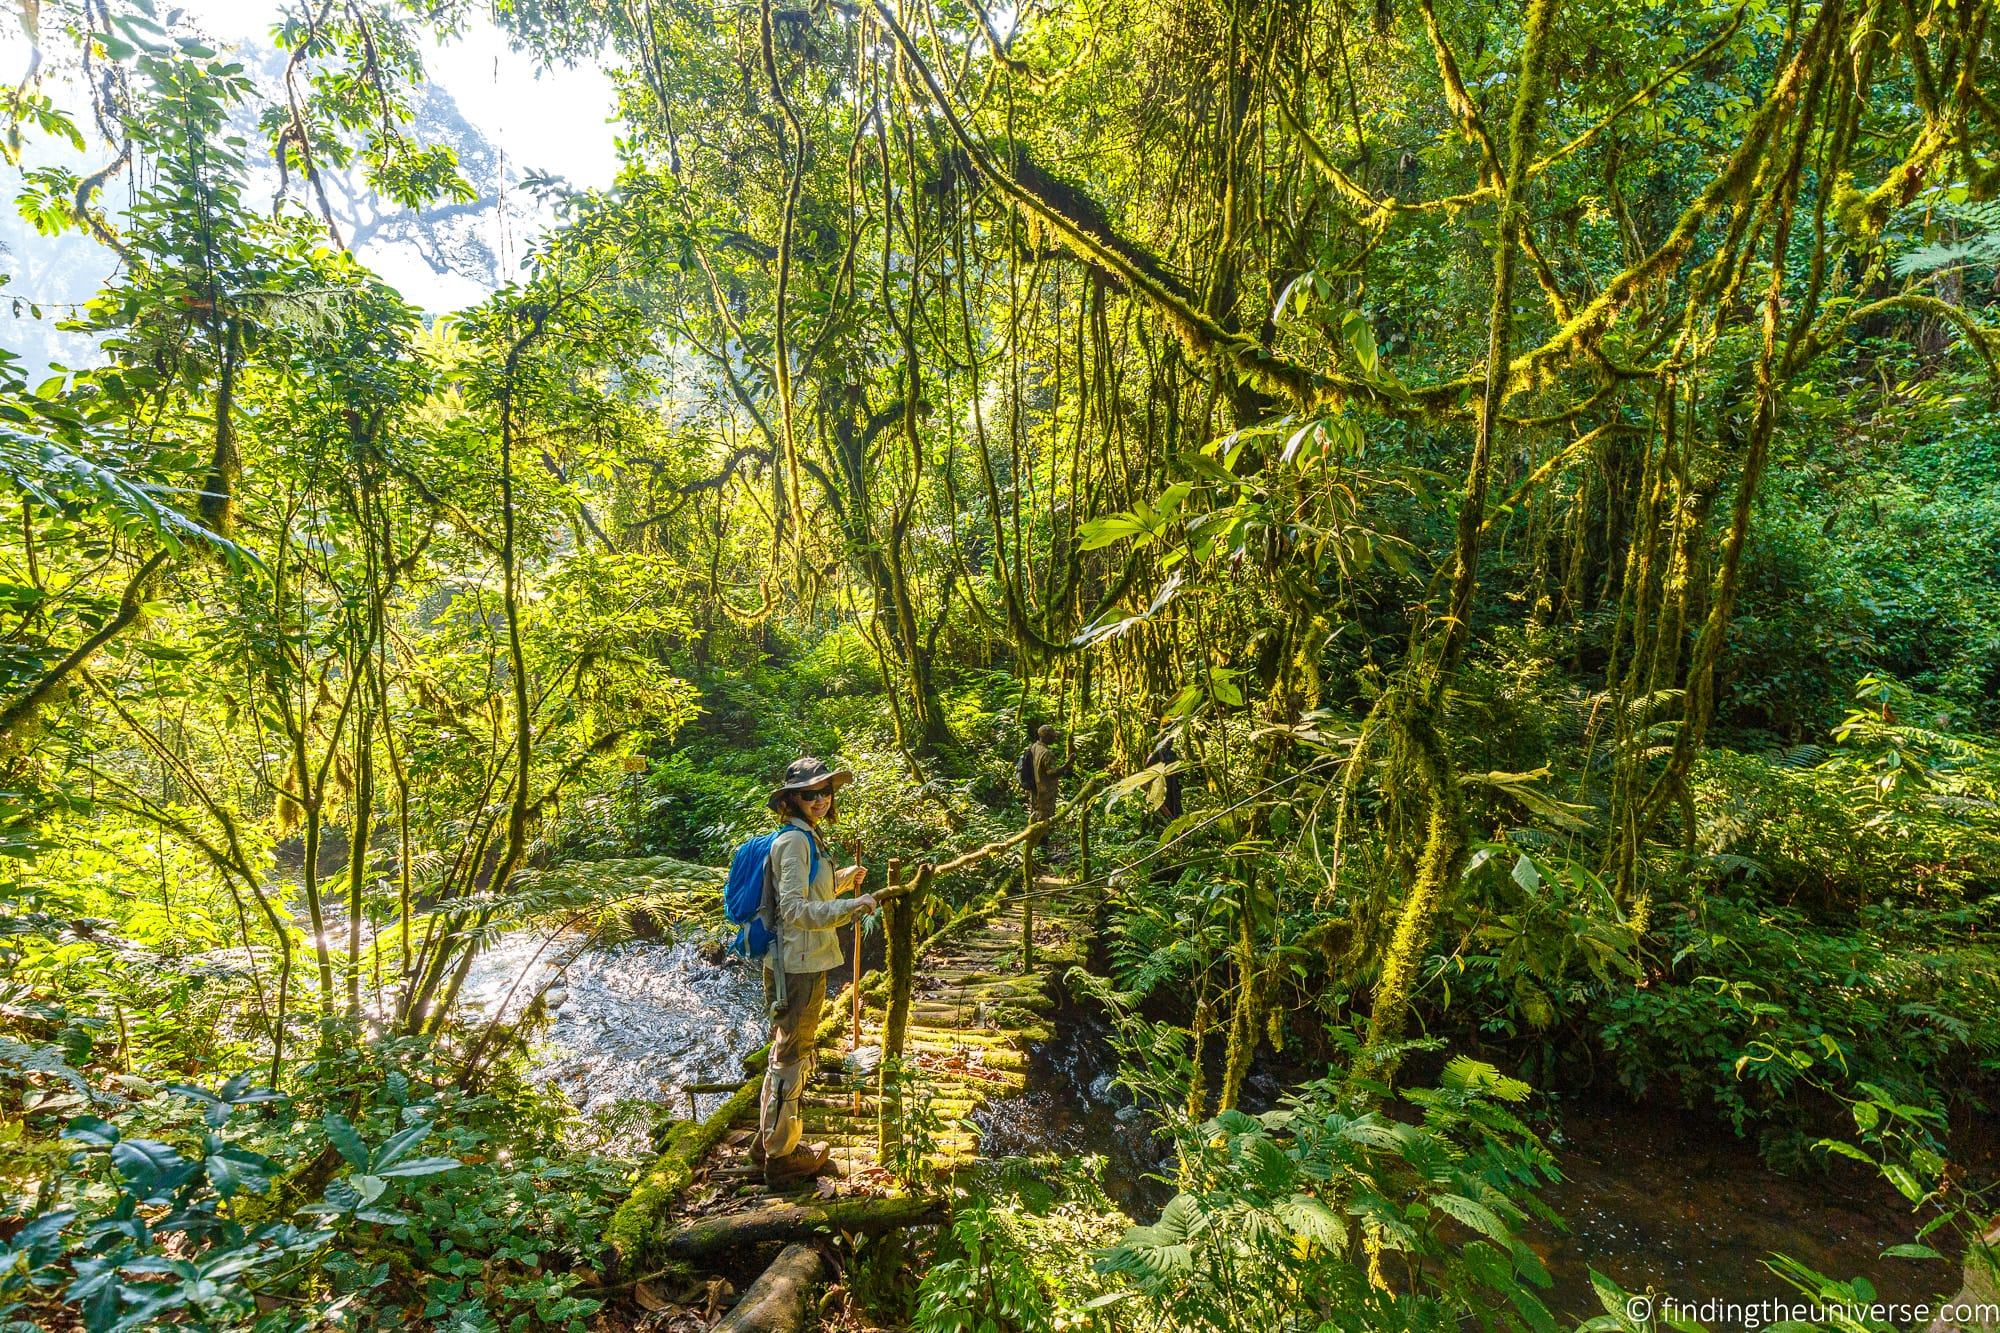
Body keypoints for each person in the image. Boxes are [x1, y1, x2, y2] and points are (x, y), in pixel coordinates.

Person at [753, 757, 876, 1187]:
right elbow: (793, 910)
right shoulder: (794, 842)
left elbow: (808, 890)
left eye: (825, 792)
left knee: (785, 1049)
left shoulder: (807, 838)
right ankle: (782, 1155)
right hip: (798, 966)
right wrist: (850, 907)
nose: (820, 799)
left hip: (803, 960)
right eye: (810, 794)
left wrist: (842, 880)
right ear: (791, 799)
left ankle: (767, 1139)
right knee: (793, 1054)